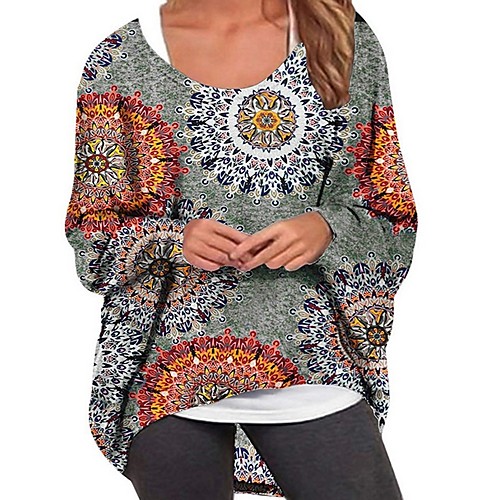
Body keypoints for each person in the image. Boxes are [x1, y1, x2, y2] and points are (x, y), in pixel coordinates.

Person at [64, 0, 418, 498]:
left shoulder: (341, 39)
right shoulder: (119, 59)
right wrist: (172, 240)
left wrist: (326, 228)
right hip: (162, 372)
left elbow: (389, 212)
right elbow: (92, 237)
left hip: (309, 357)